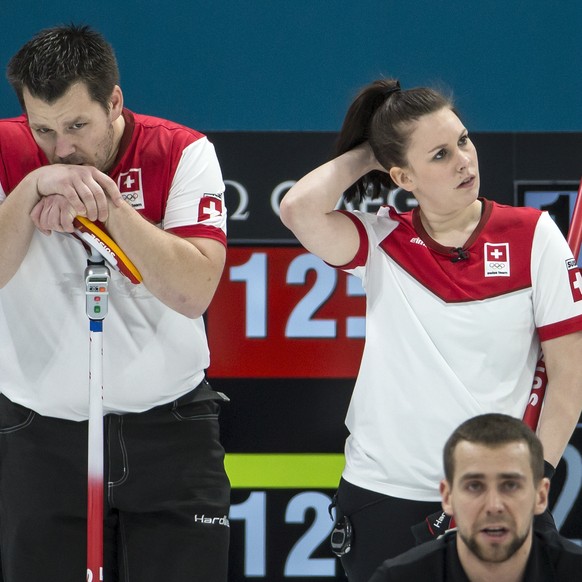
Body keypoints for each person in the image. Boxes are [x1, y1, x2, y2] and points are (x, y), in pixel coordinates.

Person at [279, 78, 582, 582]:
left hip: (495, 501)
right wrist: (369, 156)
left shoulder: (533, 236)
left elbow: (570, 385)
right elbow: (297, 209)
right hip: (383, 497)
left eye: (463, 140)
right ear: (403, 176)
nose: (465, 160)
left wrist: (528, 482)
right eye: (439, 155)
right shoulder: (381, 238)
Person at [0, 25, 230, 581]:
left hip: (171, 431)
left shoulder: (182, 151)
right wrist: (32, 187)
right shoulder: (5, 152)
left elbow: (193, 290)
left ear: (115, 102)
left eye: (78, 125)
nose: (63, 148)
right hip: (40, 435)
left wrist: (108, 207)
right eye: (45, 129)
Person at [368, 413, 582, 581]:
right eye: (474, 486)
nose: (494, 505)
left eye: (510, 485)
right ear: (448, 496)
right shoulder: (398, 578)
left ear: (541, 496)